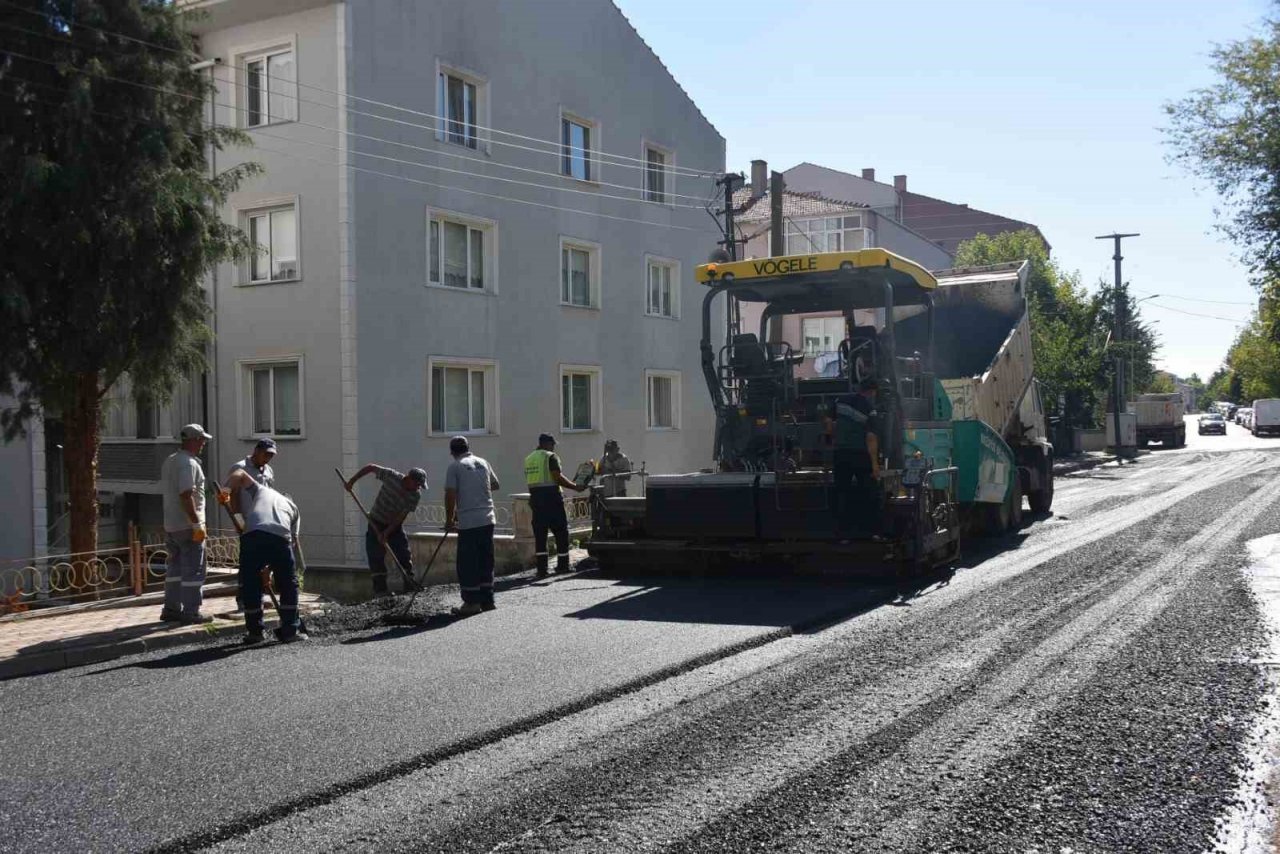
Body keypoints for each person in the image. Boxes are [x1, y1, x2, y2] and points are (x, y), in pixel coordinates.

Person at [225, 469, 303, 644]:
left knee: (251, 584)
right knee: (288, 584)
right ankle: (290, 630)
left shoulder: (263, 491)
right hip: (280, 538)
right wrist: (274, 569)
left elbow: (239, 473)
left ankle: (255, 633)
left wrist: (226, 491)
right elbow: (292, 543)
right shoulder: (294, 509)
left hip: (251, 536)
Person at [159, 424, 214, 624]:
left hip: (172, 525)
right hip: (188, 526)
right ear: (193, 440)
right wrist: (196, 523)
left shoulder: (171, 461)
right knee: (194, 570)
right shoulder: (188, 464)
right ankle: (191, 612)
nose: (203, 444)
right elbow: (186, 494)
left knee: (174, 568)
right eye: (201, 440)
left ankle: (171, 608)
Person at [345, 463, 427, 596]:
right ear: (408, 478)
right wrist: (352, 482)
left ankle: (409, 584)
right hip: (375, 522)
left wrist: (387, 532)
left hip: (394, 527)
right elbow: (370, 467)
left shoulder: (415, 495)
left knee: (403, 554)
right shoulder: (392, 476)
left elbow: (401, 516)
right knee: (375, 555)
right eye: (417, 484)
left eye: (420, 485)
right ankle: (381, 591)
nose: (418, 487)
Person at [444, 436, 500, 616]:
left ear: (452, 452)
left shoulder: (454, 467)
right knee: (486, 560)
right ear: (468, 447)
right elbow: (495, 484)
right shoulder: (483, 462)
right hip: (488, 518)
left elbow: (450, 494)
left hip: (468, 522)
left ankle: (471, 602)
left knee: (468, 562)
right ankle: (487, 599)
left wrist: (449, 520)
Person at [826, 378, 883, 540]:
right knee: (869, 491)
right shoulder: (869, 408)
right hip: (860, 455)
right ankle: (872, 532)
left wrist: (832, 439)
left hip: (841, 454)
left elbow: (829, 423)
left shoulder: (840, 401)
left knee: (841, 492)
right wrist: (874, 465)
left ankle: (841, 534)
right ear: (872, 392)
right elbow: (871, 438)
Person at [524, 433, 587, 578]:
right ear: (546, 444)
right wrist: (575, 486)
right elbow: (557, 477)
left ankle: (542, 569)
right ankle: (562, 566)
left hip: (536, 500)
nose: (553, 448)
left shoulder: (529, 459)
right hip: (551, 499)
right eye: (552, 445)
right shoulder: (550, 457)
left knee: (540, 535)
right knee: (561, 532)